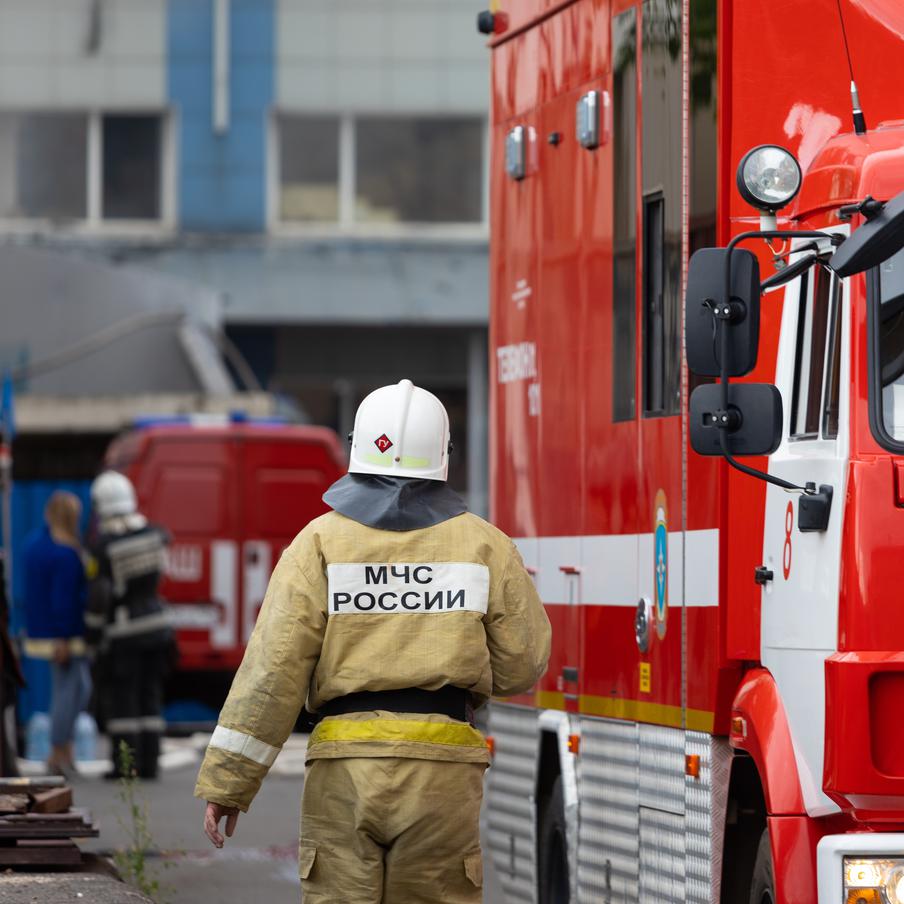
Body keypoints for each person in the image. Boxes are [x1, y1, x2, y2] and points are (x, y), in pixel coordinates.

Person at [195, 378, 551, 904]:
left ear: (357, 446)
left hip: (344, 772)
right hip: (444, 775)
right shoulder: (486, 545)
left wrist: (230, 785)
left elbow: (273, 672)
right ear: (442, 455)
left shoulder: (317, 543)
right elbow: (524, 663)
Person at [86, 471, 172, 780]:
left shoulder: (104, 547)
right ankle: (150, 764)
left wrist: (92, 635)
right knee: (150, 698)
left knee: (122, 701)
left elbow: (100, 596)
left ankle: (125, 767)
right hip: (158, 630)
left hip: (124, 635)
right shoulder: (155, 533)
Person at [22, 491, 91, 776]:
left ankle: (62, 748)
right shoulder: (64, 553)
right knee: (72, 691)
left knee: (75, 688)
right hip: (65, 634)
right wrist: (63, 636)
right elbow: (63, 599)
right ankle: (59, 751)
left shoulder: (34, 545)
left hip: (42, 629)